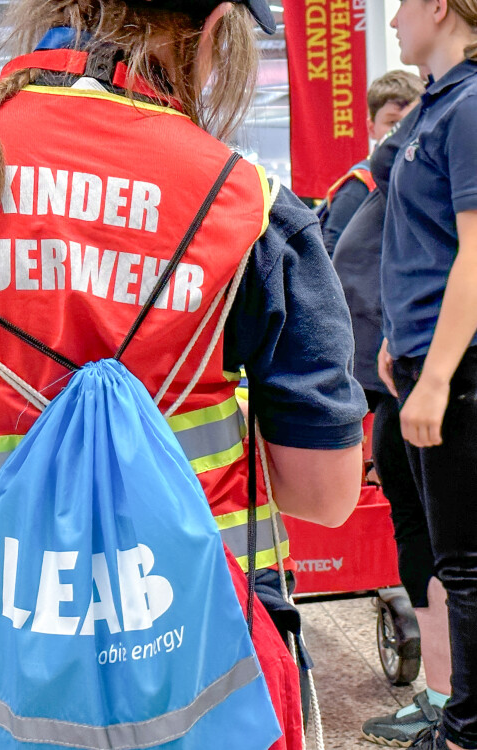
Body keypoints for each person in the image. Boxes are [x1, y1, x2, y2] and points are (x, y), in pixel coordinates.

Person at [0, 1, 367, 747]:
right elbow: (325, 495)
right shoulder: (246, 203)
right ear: (212, 31)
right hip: (202, 661)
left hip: (4, 668)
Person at [333, 103, 452, 747]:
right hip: (393, 374)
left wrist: (427, 375)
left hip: (422, 379)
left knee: (446, 551)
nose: (397, 15)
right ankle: (443, 697)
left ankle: (453, 707)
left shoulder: (451, 121)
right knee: (424, 545)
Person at [376, 0, 477, 747]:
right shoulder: (434, 108)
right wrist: (397, 339)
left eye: (403, 4)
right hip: (420, 358)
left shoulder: (469, 107)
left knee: (467, 567)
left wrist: (437, 375)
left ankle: (467, 732)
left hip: (460, 370)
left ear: (439, 7)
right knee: (456, 561)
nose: (391, 20)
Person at [320, 70, 424, 257]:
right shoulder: (359, 185)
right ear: (372, 128)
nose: (403, 133)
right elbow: (331, 259)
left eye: (411, 122)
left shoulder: (426, 176)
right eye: (392, 123)